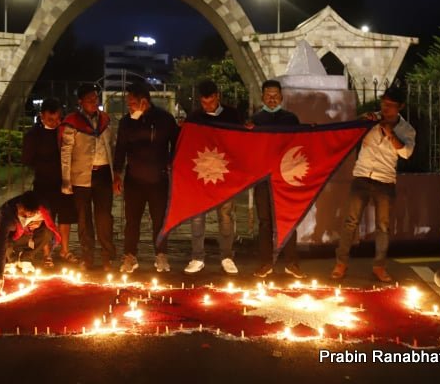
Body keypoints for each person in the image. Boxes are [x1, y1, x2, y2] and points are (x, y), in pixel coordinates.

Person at [331, 86, 415, 283]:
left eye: (391, 105)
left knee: (383, 227)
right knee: (350, 222)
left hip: (385, 180)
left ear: (400, 106)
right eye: (384, 104)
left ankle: (379, 266)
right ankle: (341, 263)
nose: (386, 109)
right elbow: (349, 134)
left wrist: (390, 133)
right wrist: (361, 122)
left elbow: (406, 153)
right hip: (362, 176)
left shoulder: (407, 129)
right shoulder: (371, 120)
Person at [114, 81, 179, 273]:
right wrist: (117, 174)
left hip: (159, 180)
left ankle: (161, 255)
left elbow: (177, 143)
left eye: (132, 102)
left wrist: (172, 163)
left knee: (159, 220)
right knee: (132, 220)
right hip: (134, 179)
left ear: (144, 101)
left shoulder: (165, 119)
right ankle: (130, 256)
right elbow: (120, 149)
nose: (129, 106)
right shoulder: (126, 122)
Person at [249, 79, 305, 279]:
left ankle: (292, 263)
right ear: (262, 97)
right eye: (268, 95)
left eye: (275, 95)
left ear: (281, 97)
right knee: (265, 222)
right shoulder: (255, 120)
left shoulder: (291, 119)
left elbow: (300, 144)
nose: (272, 99)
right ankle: (265, 263)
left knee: (288, 220)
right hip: (263, 178)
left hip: (286, 178)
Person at [185, 79, 242, 275]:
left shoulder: (232, 115)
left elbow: (242, 142)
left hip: (225, 175)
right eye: (204, 103)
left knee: (226, 216)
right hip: (200, 176)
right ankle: (197, 257)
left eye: (210, 102)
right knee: (197, 217)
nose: (207, 106)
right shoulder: (194, 117)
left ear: (217, 97)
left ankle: (227, 256)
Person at [60, 83, 115, 271]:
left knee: (105, 218)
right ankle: (87, 257)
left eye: (96, 99)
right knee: (84, 220)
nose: (94, 102)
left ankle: (107, 256)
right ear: (80, 102)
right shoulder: (72, 122)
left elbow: (112, 146)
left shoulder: (105, 120)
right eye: (90, 99)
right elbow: (66, 152)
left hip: (104, 174)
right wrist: (66, 180)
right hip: (81, 177)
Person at [22, 98, 76, 264]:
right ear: (42, 116)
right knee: (47, 218)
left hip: (64, 182)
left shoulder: (64, 132)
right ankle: (47, 254)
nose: (55, 123)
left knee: (65, 217)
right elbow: (26, 159)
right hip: (44, 183)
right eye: (51, 119)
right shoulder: (33, 135)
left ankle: (65, 250)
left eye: (58, 119)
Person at [0, 191, 61, 292]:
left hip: (28, 235)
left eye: (31, 214)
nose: (28, 216)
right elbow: (1, 242)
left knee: (47, 232)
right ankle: (12, 258)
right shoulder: (6, 215)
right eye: (24, 214)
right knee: (2, 243)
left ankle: (26, 257)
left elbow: (50, 225)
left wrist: (39, 223)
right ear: (20, 205)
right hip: (11, 238)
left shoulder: (42, 207)